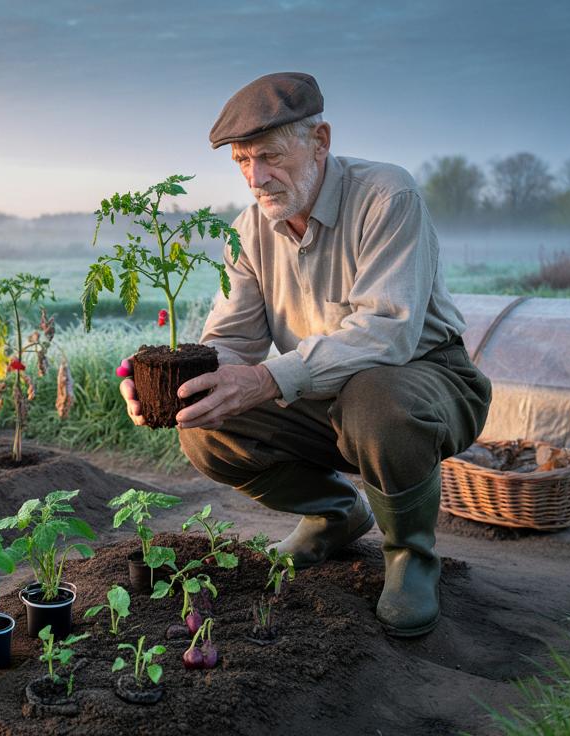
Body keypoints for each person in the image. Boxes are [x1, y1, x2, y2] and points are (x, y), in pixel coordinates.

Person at [118, 72, 491, 637]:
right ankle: (337, 512)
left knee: (374, 399)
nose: (256, 177)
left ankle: (410, 556)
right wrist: (168, 384)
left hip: (426, 379)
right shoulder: (250, 230)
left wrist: (267, 380)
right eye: (242, 161)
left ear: (320, 141)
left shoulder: (389, 196)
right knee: (203, 422)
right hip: (319, 393)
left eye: (269, 156)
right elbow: (232, 341)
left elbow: (386, 334)